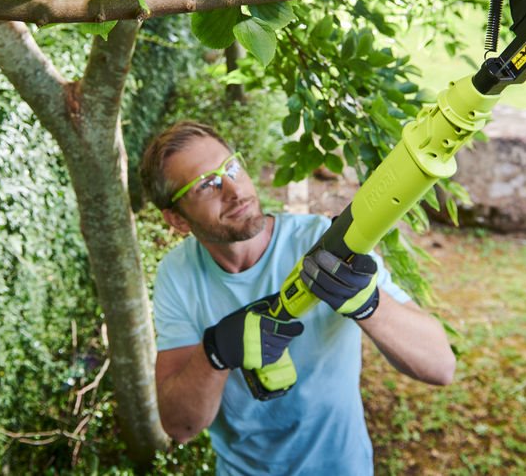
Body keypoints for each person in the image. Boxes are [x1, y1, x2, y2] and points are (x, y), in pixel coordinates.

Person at [140, 121, 456, 475]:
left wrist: (369, 304)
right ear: (177, 221)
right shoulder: (178, 274)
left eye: (232, 167)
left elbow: (441, 367)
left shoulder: (323, 244)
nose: (234, 189)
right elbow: (180, 426)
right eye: (207, 184)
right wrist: (215, 352)